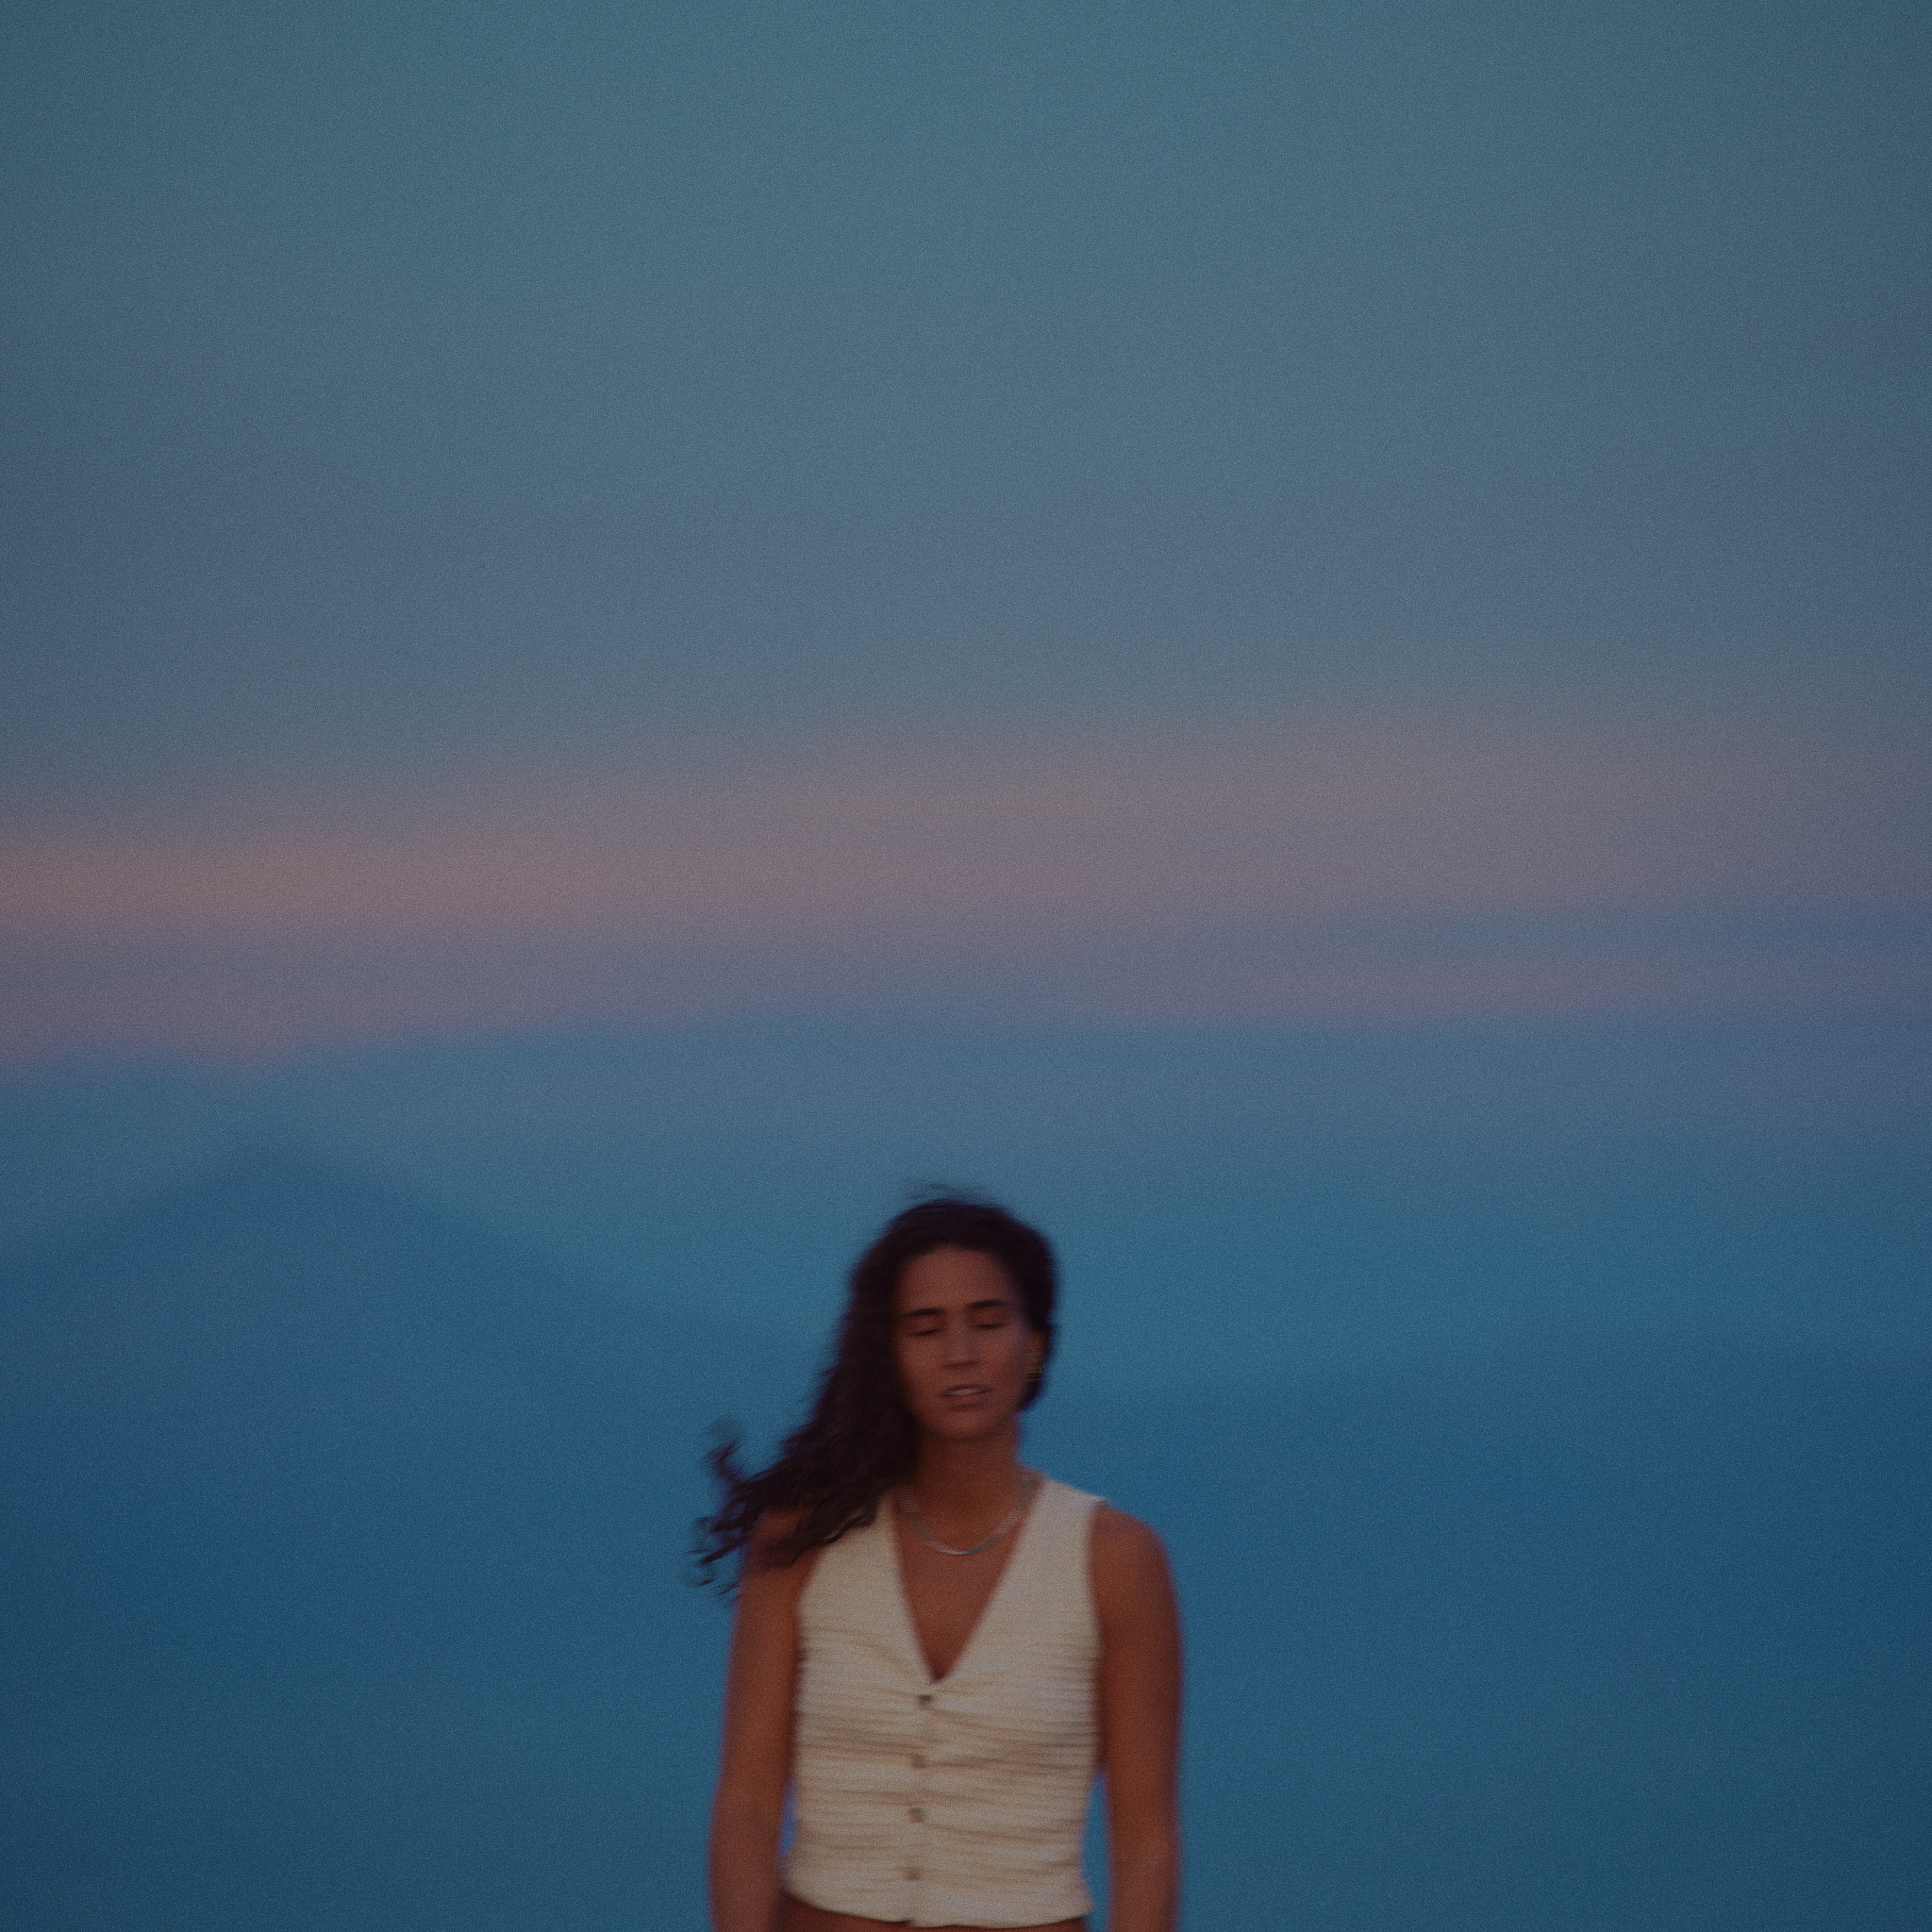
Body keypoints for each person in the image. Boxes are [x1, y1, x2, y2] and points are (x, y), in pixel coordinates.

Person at [699, 1195, 1182, 1932]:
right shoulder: (799, 1544)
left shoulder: (1114, 1560)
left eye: (988, 1322)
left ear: (1036, 1345)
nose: (960, 1353)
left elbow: (1145, 1844)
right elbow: (747, 1806)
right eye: (926, 1328)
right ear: (888, 1354)